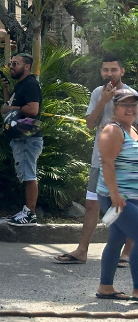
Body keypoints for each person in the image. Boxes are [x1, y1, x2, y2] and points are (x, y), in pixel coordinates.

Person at [55, 55, 134, 266]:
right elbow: (90, 124)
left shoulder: (132, 96)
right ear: (101, 72)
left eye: (114, 70)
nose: (109, 74)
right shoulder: (98, 93)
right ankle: (82, 251)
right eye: (105, 70)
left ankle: (127, 253)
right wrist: (103, 101)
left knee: (129, 206)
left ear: (122, 72)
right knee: (91, 205)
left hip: (126, 163)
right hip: (99, 160)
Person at [94, 88, 138, 301]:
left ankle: (105, 287)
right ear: (115, 107)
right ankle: (137, 290)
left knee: (117, 239)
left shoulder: (133, 130)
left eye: (133, 104)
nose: (130, 109)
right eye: (125, 105)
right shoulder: (113, 130)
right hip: (117, 197)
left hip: (130, 196)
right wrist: (115, 195)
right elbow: (107, 163)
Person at [1, 53, 43, 227]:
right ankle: (25, 211)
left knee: (29, 175)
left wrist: (10, 107)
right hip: (20, 138)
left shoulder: (31, 84)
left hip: (28, 138)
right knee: (25, 174)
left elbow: (33, 110)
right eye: (11, 63)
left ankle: (30, 214)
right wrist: (5, 89)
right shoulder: (21, 85)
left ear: (27, 66)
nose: (11, 66)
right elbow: (9, 107)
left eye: (15, 63)